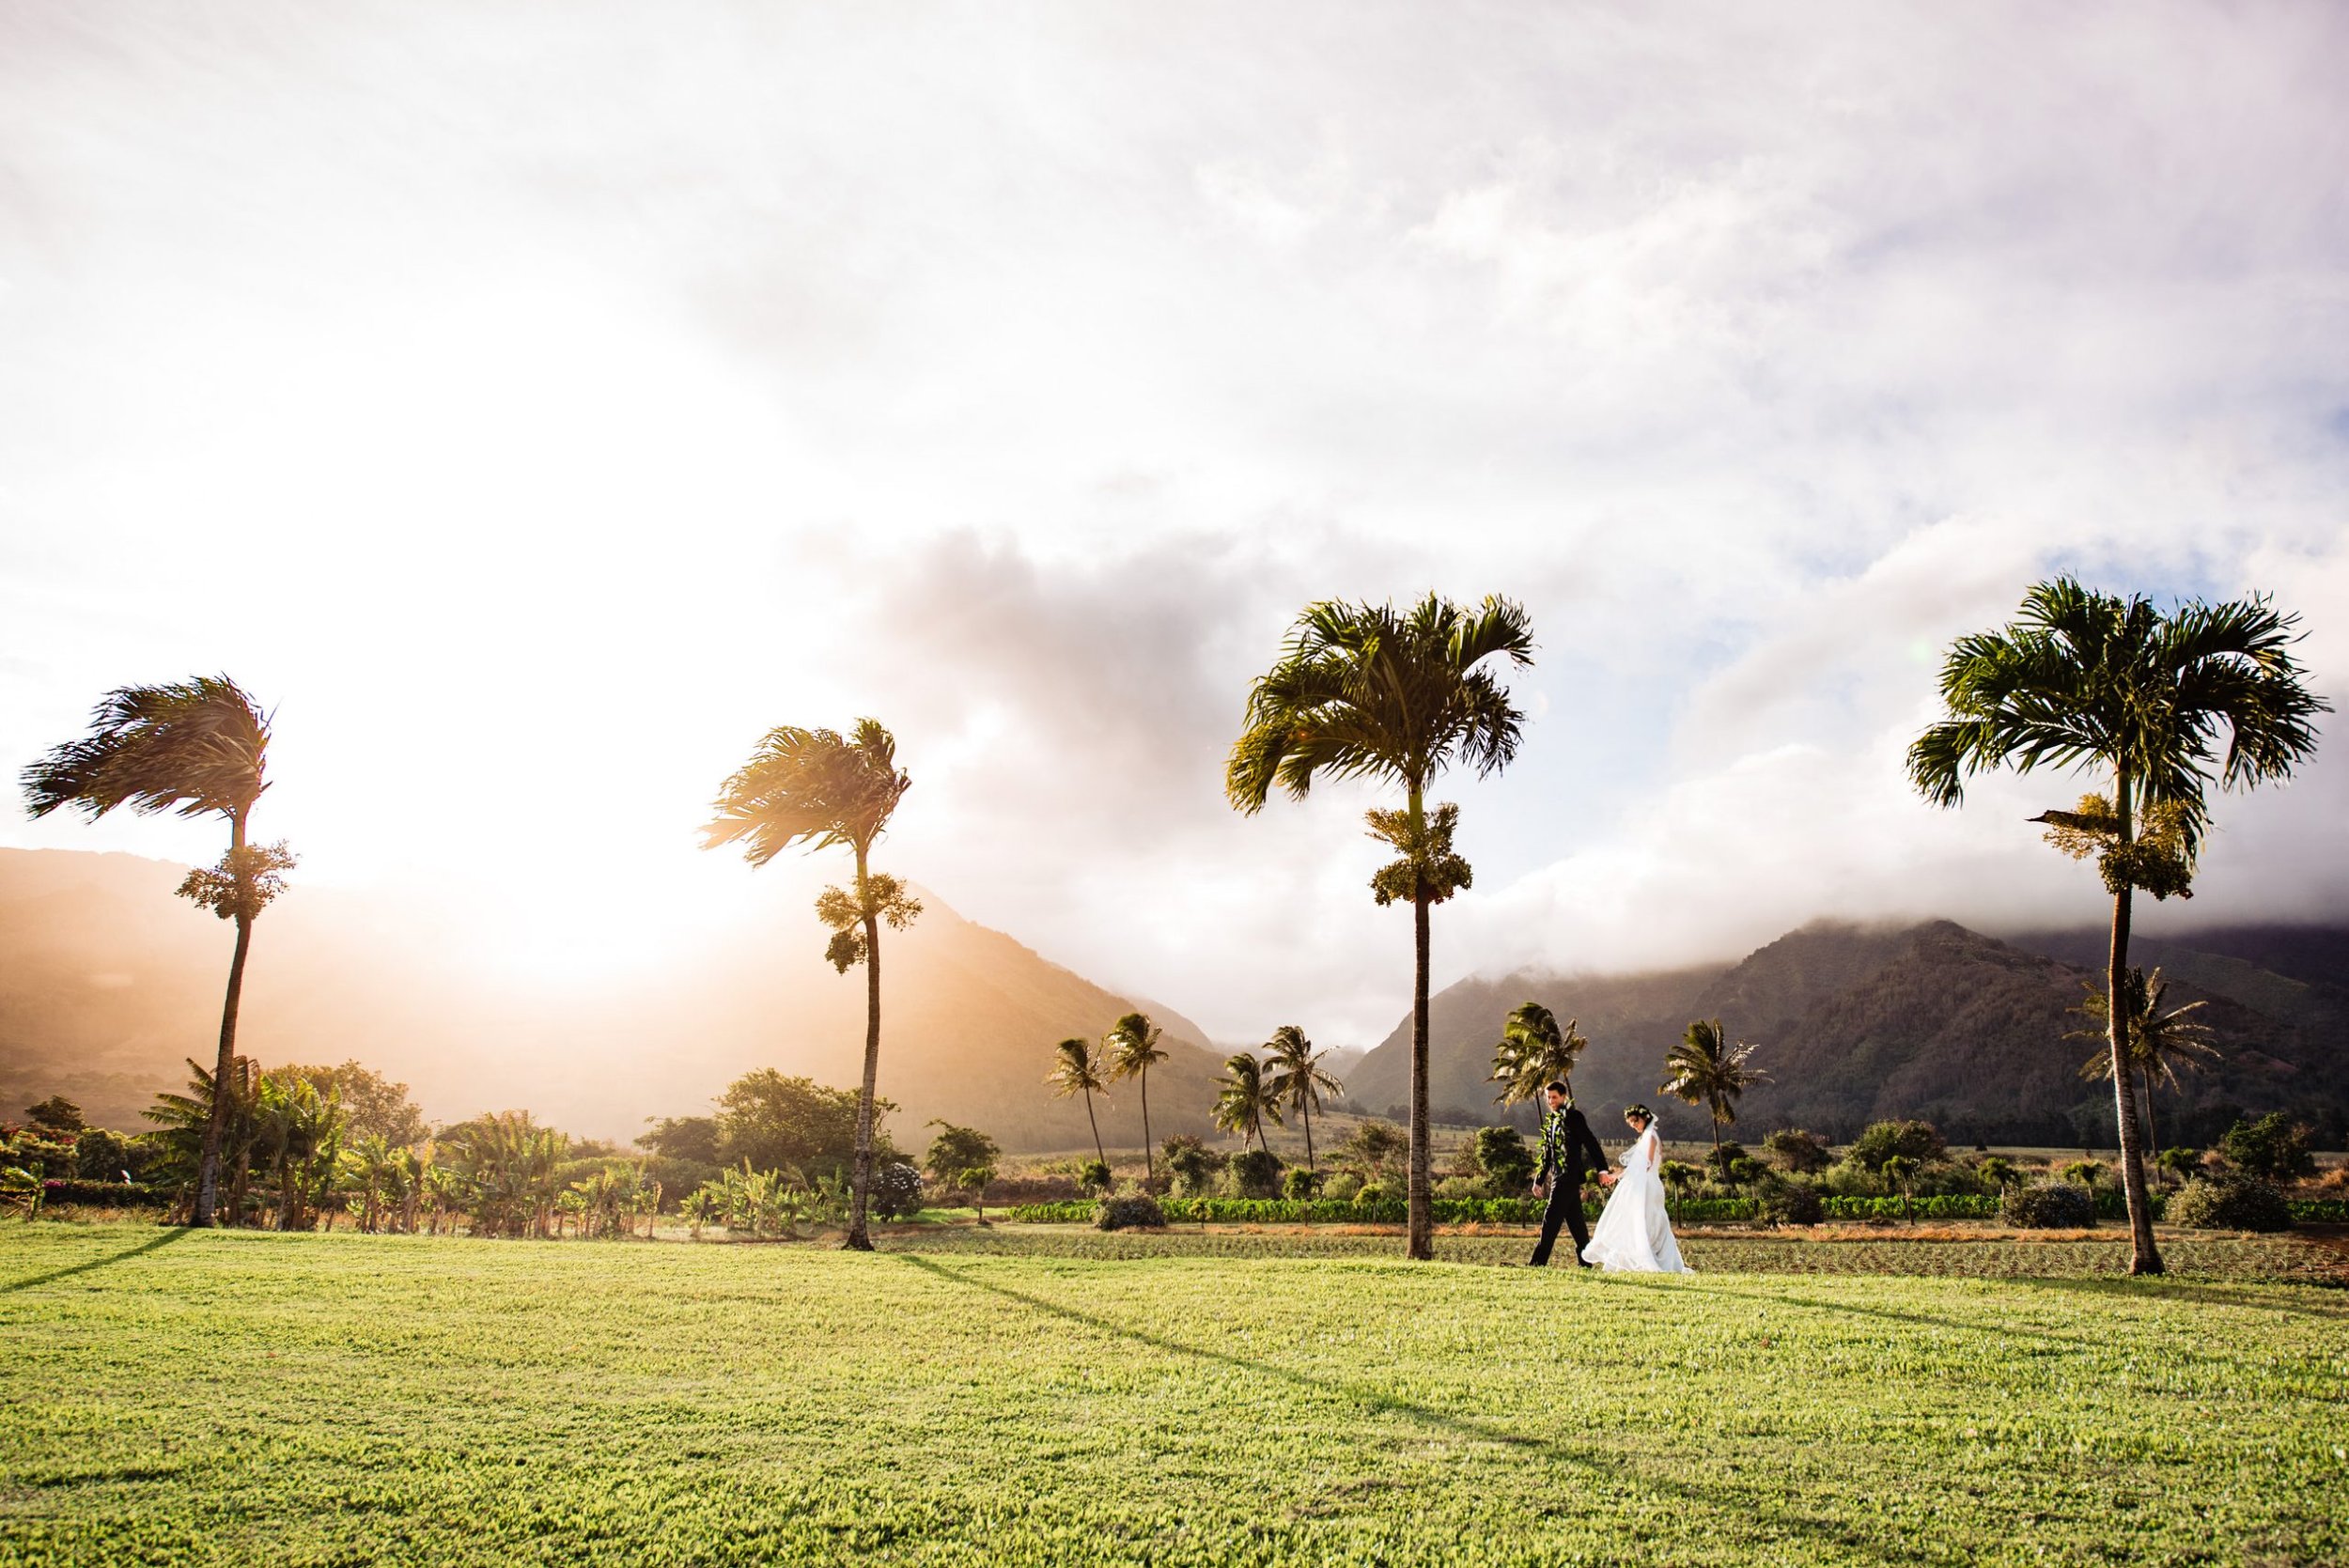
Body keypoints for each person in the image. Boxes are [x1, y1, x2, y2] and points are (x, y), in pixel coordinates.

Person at [1581, 1104, 1689, 1273]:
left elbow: (1647, 1164)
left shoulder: (1651, 1137)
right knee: (1645, 1221)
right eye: (1631, 1122)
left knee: (1650, 1222)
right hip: (1645, 1183)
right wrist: (1616, 1175)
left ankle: (1653, 1258)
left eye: (1635, 1121)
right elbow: (1637, 1165)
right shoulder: (1647, 1137)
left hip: (1648, 1185)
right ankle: (1648, 1257)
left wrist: (1623, 1176)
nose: (1633, 1125)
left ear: (1644, 1118)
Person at [1527, 1081, 1609, 1267]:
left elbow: (1591, 1142)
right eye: (1548, 1097)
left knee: (1550, 1219)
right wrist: (1538, 1180)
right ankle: (1586, 1262)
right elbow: (1548, 1154)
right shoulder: (1553, 1121)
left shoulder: (1574, 1117)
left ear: (1564, 1097)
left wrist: (1602, 1169)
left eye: (1554, 1097)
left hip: (1568, 1177)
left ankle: (1537, 1263)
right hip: (1558, 1177)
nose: (1550, 1101)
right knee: (1576, 1224)